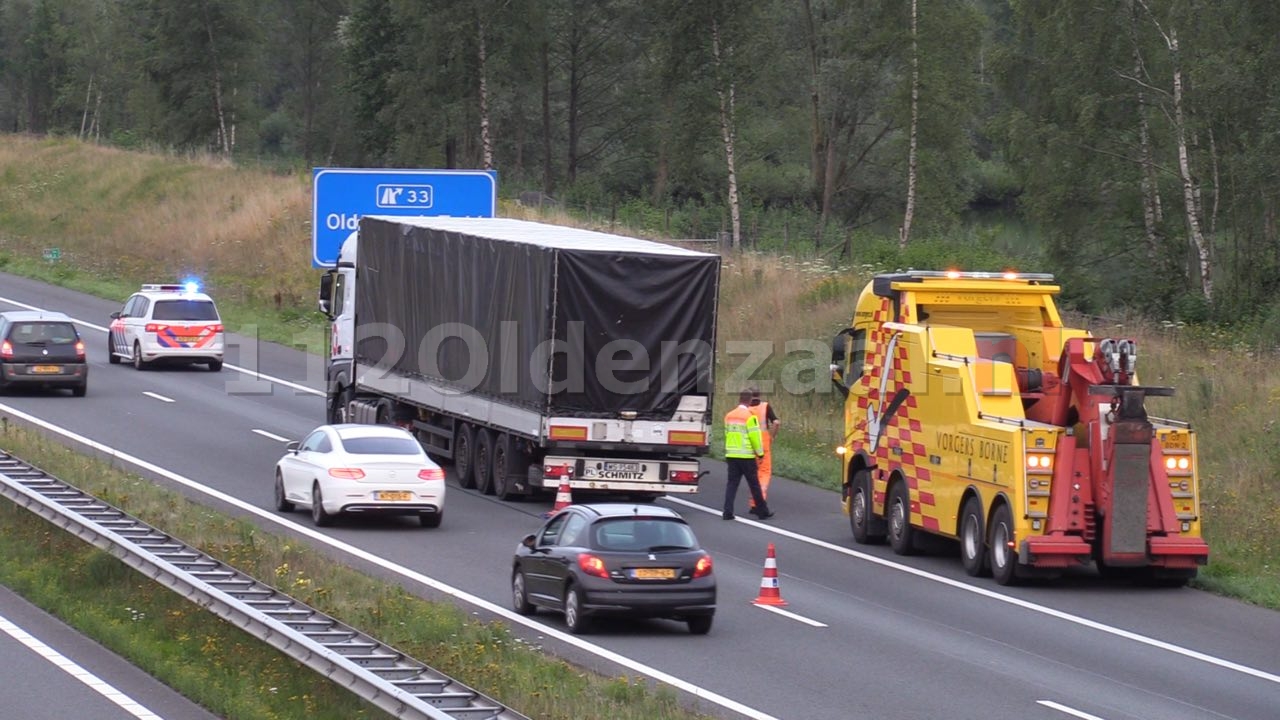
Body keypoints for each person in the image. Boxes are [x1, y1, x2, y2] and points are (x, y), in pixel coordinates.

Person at [722, 389, 773, 520]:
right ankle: (762, 511)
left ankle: (727, 512)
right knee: (754, 484)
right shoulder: (750, 417)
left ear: (739, 399)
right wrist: (760, 453)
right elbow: (754, 437)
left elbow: (727, 434)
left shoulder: (729, 415)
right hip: (746, 456)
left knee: (732, 484)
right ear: (750, 401)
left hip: (732, 455)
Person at [747, 387, 779, 511]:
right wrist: (772, 436)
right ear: (760, 395)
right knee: (764, 473)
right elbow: (776, 422)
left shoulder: (746, 409)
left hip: (750, 445)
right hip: (764, 443)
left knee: (753, 474)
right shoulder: (765, 406)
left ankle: (753, 503)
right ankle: (758, 503)